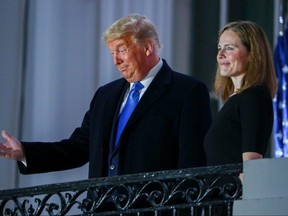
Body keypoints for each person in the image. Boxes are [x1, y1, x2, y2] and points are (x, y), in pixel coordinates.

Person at [0, 14, 212, 179]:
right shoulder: (106, 95)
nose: (116, 61)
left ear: (147, 47)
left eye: (121, 50)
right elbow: (78, 148)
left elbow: (192, 163)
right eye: (112, 53)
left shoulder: (187, 92)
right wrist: (25, 152)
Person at [204, 21, 277, 168]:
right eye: (219, 48)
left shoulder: (254, 97)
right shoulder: (237, 98)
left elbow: (252, 164)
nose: (220, 55)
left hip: (235, 191)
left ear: (252, 54)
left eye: (229, 48)